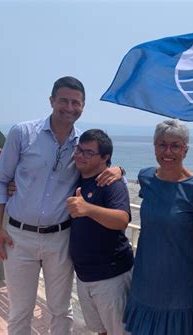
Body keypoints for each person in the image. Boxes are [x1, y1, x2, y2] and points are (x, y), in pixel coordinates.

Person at [0, 76, 123, 335]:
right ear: (52, 101)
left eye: (76, 103)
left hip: (60, 237)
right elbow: (0, 181)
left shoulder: (84, 142)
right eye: (63, 100)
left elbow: (102, 166)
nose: (69, 107)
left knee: (61, 310)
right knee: (20, 311)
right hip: (18, 237)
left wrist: (119, 169)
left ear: (83, 107)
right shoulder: (22, 133)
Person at [123, 120, 193, 335]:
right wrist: (118, 169)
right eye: (162, 144)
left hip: (182, 285)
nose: (168, 151)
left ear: (186, 150)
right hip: (146, 279)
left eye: (175, 145)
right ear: (154, 147)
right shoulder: (146, 178)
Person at [67, 129, 133, 335]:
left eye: (88, 153)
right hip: (85, 275)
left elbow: (122, 219)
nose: (80, 155)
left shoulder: (111, 185)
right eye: (79, 150)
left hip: (111, 276)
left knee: (120, 331)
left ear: (105, 158)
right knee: (100, 330)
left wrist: (88, 209)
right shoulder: (76, 178)